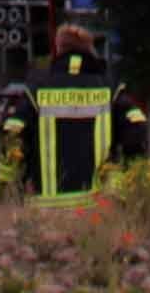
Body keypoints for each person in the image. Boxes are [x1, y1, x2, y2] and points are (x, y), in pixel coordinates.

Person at [20, 19, 117, 204]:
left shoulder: (39, 86)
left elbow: (14, 132)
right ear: (90, 49)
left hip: (45, 207)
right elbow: (135, 132)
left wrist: (15, 181)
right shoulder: (108, 86)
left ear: (58, 47)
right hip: (99, 208)